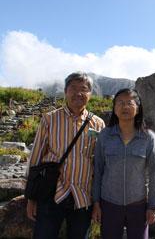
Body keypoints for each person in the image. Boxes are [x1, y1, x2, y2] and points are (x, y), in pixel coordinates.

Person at [26, 72, 105, 239]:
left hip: (83, 196)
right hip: (52, 192)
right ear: (65, 91)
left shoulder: (98, 124)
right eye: (73, 88)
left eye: (84, 89)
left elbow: (100, 164)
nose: (78, 93)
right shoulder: (49, 119)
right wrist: (31, 198)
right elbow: (35, 158)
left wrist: (98, 201)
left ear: (90, 94)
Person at [92, 88, 155, 239]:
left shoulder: (148, 137)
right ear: (114, 108)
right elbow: (98, 171)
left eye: (130, 102)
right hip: (109, 203)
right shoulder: (105, 136)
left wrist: (152, 206)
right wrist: (96, 202)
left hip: (138, 204)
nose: (125, 107)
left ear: (138, 107)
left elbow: (154, 174)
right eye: (120, 103)